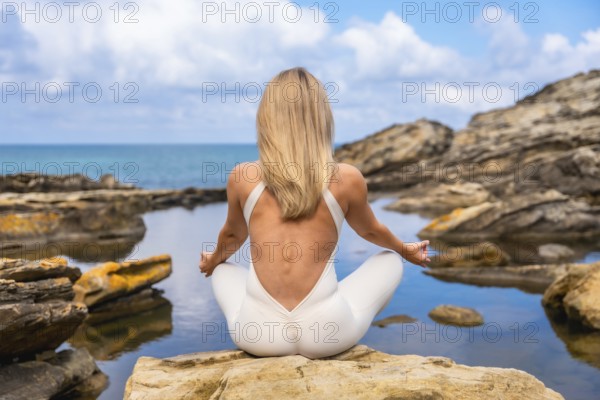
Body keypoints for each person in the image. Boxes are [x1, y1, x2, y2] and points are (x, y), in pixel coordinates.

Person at [199, 67, 430, 359]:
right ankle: (335, 306)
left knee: (223, 268)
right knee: (389, 260)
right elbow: (370, 231)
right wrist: (404, 249)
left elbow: (232, 236)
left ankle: (250, 310)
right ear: (321, 119)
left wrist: (212, 261)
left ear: (267, 118)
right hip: (327, 333)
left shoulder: (242, 176)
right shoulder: (347, 178)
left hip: (259, 336)